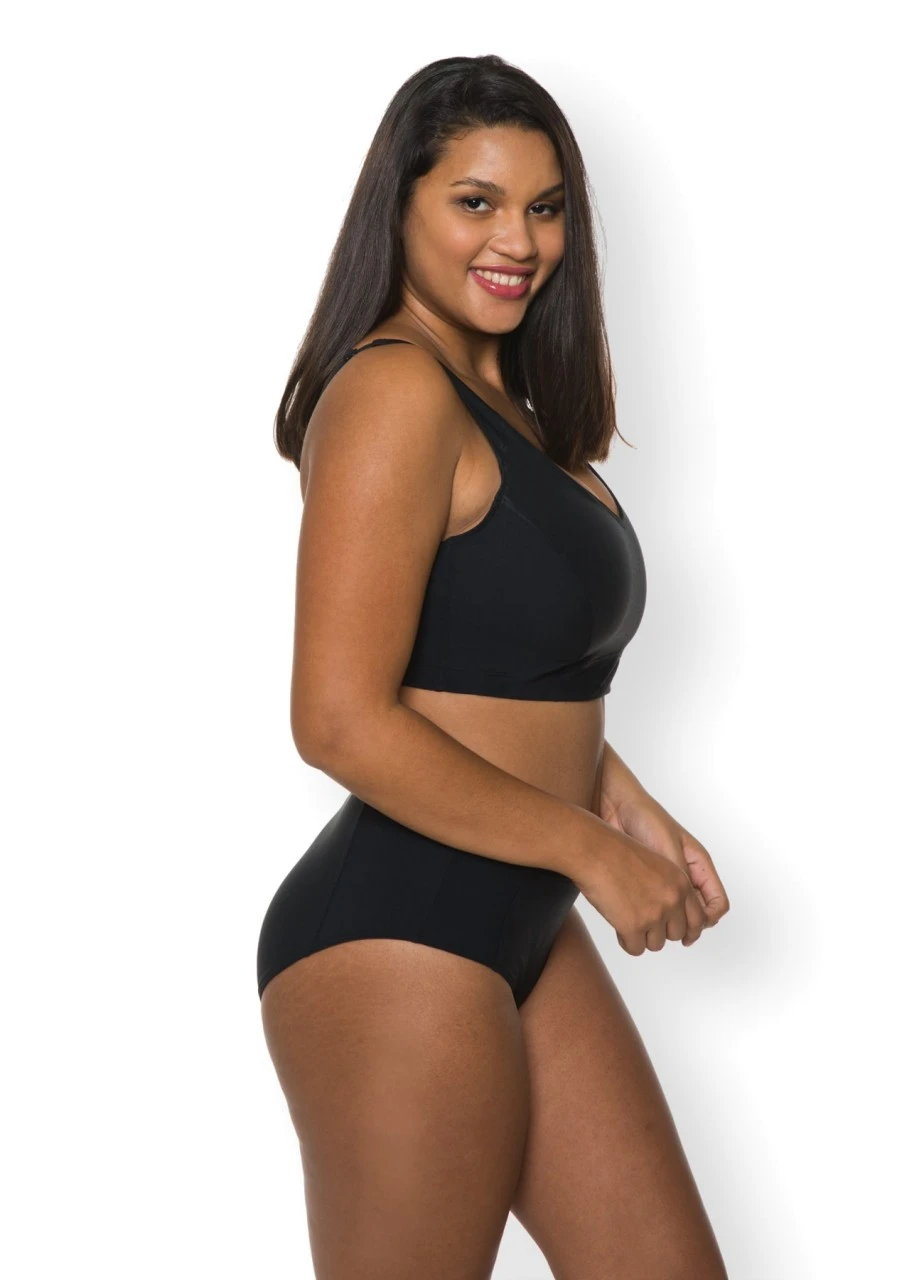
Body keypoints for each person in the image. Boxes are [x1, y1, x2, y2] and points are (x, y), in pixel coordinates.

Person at [256, 53, 730, 1280]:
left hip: (520, 921)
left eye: (545, 206)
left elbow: (502, 660)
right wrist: (589, 851)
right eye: (477, 201)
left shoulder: (501, 403)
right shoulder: (394, 390)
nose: (518, 240)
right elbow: (338, 718)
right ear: (401, 206)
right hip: (399, 930)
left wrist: (619, 800)